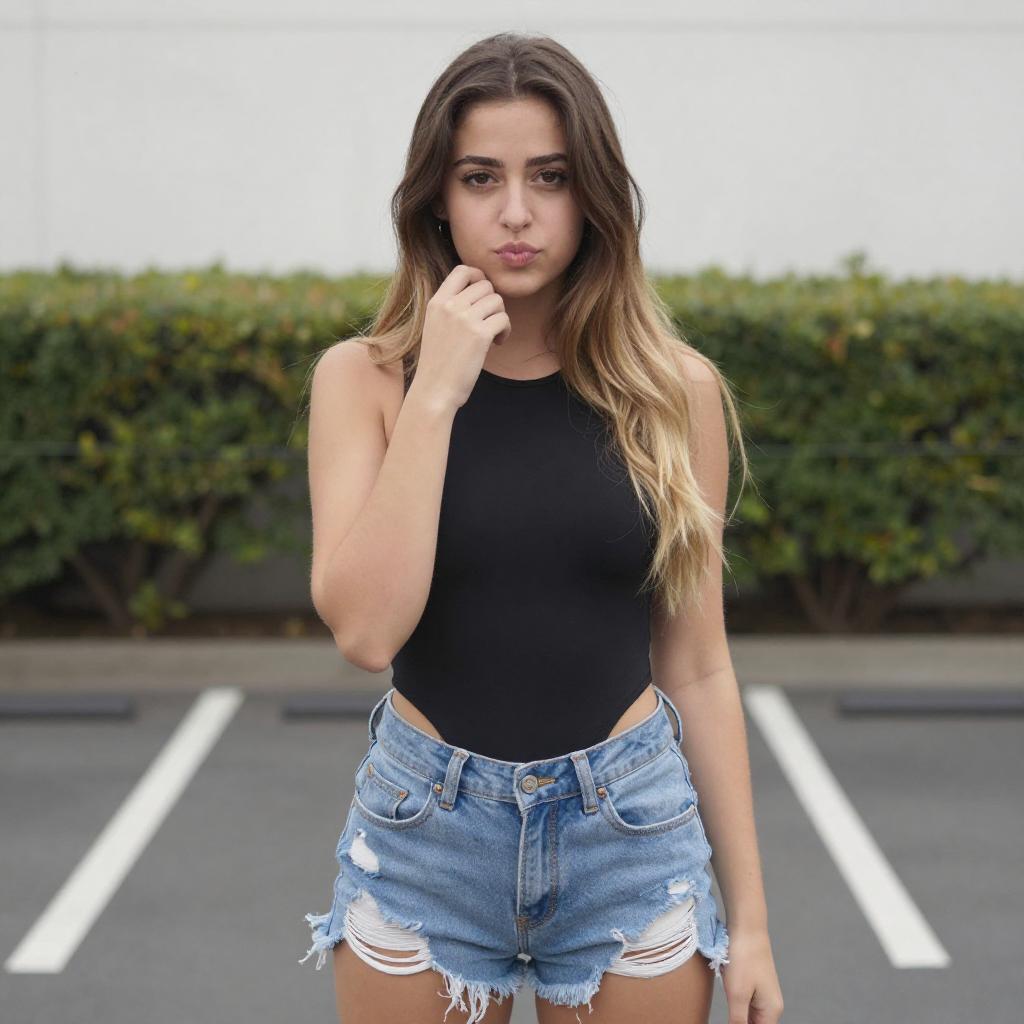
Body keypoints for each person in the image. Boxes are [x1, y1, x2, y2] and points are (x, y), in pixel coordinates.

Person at [299, 31, 783, 1024]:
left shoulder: (671, 391)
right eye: (481, 177)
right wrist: (436, 393)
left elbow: (696, 664)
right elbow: (365, 632)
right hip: (424, 831)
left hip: (631, 831)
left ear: (590, 194)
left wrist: (755, 926)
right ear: (436, 194)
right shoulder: (365, 380)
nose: (514, 213)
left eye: (548, 177)